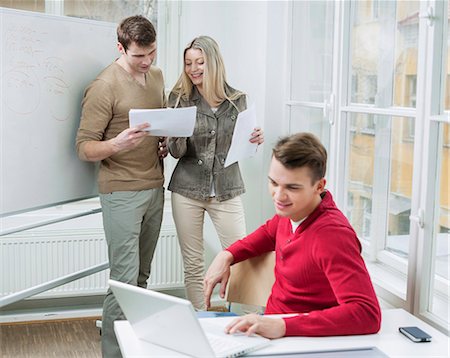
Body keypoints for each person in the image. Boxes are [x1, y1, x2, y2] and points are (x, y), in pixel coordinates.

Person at [204, 132, 381, 339]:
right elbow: (268, 233)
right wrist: (227, 255)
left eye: (292, 187)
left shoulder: (333, 236)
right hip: (269, 329)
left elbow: (367, 313)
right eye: (273, 183)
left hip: (298, 339)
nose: (279, 196)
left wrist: (283, 326)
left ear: (319, 186)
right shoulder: (291, 212)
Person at [75, 15, 166, 358]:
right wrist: (116, 145)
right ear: (120, 48)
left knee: (141, 280)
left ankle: (134, 349)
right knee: (124, 282)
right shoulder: (103, 86)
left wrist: (162, 141)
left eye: (152, 53)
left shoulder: (156, 76)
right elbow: (84, 147)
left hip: (155, 186)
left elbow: (157, 124)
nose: (146, 62)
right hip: (121, 191)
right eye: (138, 56)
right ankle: (113, 354)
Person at [167, 36, 264, 310]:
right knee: (193, 263)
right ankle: (201, 319)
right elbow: (175, 152)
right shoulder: (178, 98)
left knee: (241, 258)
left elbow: (244, 146)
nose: (193, 69)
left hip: (227, 188)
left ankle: (239, 319)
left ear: (214, 63)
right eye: (188, 63)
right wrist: (176, 132)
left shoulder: (237, 101)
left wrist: (255, 138)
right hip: (186, 190)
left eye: (200, 62)